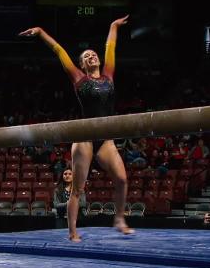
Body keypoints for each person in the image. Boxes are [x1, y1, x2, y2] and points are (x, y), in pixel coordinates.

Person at [19, 15, 134, 242]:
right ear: (82, 64)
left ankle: (119, 219)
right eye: (86, 56)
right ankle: (72, 231)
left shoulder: (108, 75)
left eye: (93, 54)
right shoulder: (79, 79)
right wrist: (41, 32)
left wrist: (113, 26)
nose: (91, 56)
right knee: (77, 189)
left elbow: (111, 46)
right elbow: (59, 51)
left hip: (105, 139)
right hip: (84, 137)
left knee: (121, 179)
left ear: (99, 60)